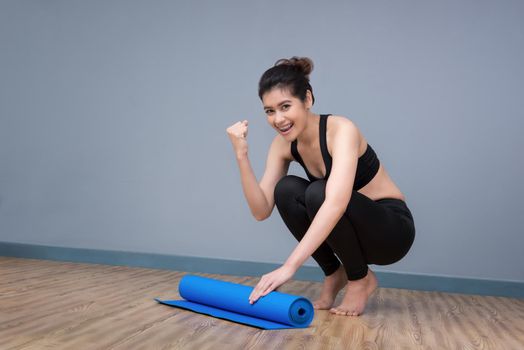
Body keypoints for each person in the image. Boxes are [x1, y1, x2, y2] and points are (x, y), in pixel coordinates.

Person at [225, 57, 415, 316]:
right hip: (351, 235)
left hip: (391, 232)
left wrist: (289, 267)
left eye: (285, 106)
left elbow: (336, 202)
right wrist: (241, 156)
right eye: (270, 111)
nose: (278, 119)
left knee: (320, 193)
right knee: (287, 189)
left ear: (308, 99)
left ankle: (360, 280)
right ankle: (334, 273)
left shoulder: (341, 130)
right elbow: (261, 211)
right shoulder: (283, 146)